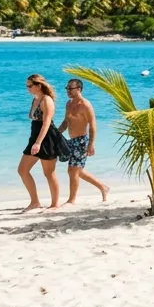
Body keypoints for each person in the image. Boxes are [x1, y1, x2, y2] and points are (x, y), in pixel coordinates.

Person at [18, 74, 68, 213]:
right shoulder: (35, 99)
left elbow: (46, 124)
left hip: (46, 139)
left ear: (38, 85)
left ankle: (54, 205)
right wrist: (34, 142)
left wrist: (38, 143)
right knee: (22, 170)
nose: (27, 88)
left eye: (30, 86)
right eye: (27, 86)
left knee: (49, 173)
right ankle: (35, 202)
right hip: (34, 138)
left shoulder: (46, 100)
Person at [58, 78, 110, 205]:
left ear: (79, 89)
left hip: (82, 141)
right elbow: (66, 122)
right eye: (67, 88)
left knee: (72, 170)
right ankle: (103, 187)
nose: (68, 91)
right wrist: (56, 133)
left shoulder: (85, 105)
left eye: (70, 88)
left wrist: (91, 144)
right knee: (77, 170)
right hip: (71, 141)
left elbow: (92, 125)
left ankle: (72, 200)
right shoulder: (68, 104)